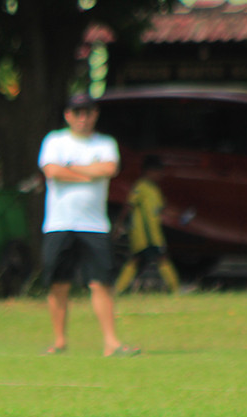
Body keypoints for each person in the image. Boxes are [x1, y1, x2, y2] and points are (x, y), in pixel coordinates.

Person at [38, 93, 138, 357]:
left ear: (95, 115)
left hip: (94, 226)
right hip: (59, 224)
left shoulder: (105, 143)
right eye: (77, 112)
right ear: (68, 115)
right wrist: (87, 171)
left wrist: (71, 169)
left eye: (88, 112)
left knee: (101, 283)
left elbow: (108, 169)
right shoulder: (54, 141)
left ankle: (111, 342)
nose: (83, 118)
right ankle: (59, 341)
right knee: (59, 283)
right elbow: (52, 171)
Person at [113, 155, 181, 294]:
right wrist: (119, 224)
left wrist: (174, 213)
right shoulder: (141, 186)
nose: (160, 175)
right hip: (144, 234)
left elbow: (160, 208)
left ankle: (117, 290)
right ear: (149, 171)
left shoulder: (154, 189)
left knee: (135, 259)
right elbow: (129, 205)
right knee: (161, 257)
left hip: (153, 232)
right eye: (158, 172)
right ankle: (175, 289)